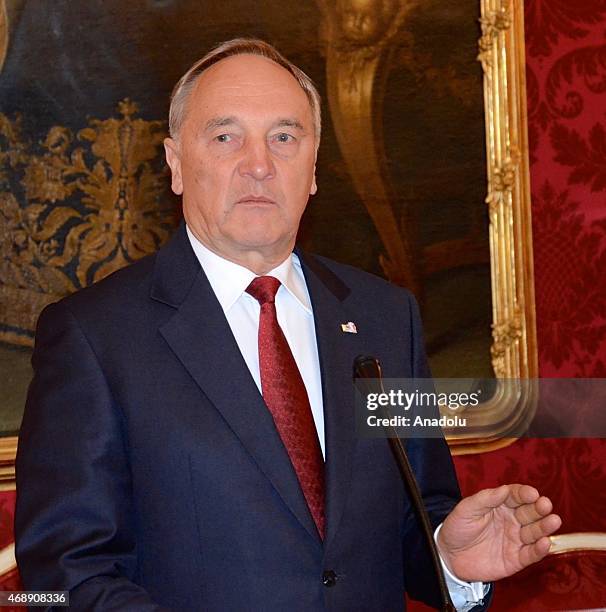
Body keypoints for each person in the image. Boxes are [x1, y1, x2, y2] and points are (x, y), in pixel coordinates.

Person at [15, 39, 561, 611]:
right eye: (226, 137)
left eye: (284, 137)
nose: (259, 164)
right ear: (176, 165)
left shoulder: (385, 317)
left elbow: (413, 520)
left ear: (314, 168)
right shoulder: (93, 336)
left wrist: (449, 560)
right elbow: (62, 578)